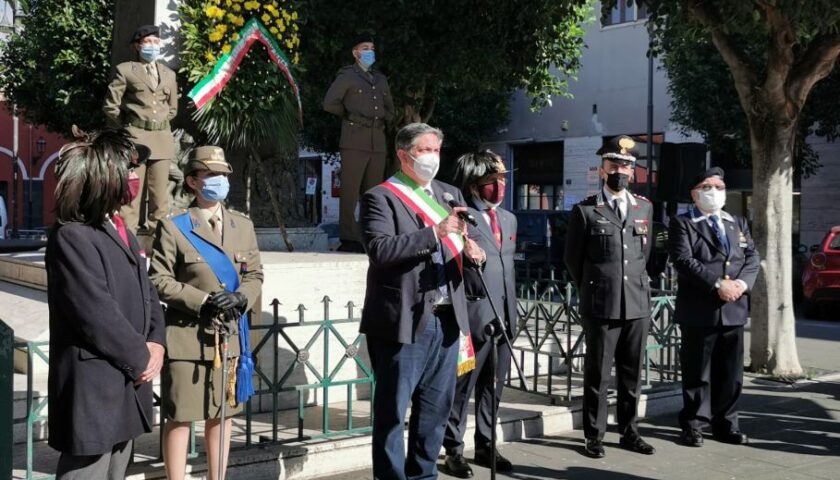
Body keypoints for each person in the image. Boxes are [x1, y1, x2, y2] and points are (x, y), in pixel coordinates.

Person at [359, 123, 485, 479]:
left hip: (447, 321)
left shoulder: (448, 193)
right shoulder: (381, 197)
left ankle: (424, 475)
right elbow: (380, 250)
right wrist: (434, 233)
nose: (433, 157)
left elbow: (463, 241)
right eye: (425, 150)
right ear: (404, 154)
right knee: (392, 414)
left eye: (437, 150)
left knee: (434, 412)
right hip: (404, 320)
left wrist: (475, 252)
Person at [46, 128, 165, 479]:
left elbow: (148, 291)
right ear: (103, 177)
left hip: (127, 382)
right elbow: (96, 314)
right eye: (127, 169)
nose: (134, 177)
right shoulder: (72, 236)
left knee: (116, 471)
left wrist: (157, 341)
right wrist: (141, 357)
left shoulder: (118, 228)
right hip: (95, 388)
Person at [148, 146, 263, 480]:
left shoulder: (242, 225)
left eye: (223, 175)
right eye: (210, 175)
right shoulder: (174, 227)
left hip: (229, 338)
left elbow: (255, 274)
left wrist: (241, 297)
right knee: (181, 416)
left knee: (222, 415)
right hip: (188, 336)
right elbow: (158, 279)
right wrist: (202, 300)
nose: (219, 181)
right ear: (192, 182)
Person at [563, 135, 656, 458]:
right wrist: (595, 287)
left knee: (632, 376)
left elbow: (646, 255)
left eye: (626, 166)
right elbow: (573, 260)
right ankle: (594, 435)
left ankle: (630, 432)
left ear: (633, 172)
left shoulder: (644, 207)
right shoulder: (586, 210)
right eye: (614, 164)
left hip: (637, 304)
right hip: (601, 304)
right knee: (598, 375)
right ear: (602, 169)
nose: (621, 170)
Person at [668, 167, 759, 447]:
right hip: (700, 309)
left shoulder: (737, 222)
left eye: (720, 186)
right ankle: (694, 425)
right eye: (708, 186)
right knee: (698, 372)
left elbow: (751, 257)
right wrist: (719, 284)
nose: (715, 192)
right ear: (695, 193)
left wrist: (741, 286)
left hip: (734, 308)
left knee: (731, 373)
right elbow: (684, 261)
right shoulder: (683, 223)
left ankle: (727, 424)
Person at [442, 150, 517, 477]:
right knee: (462, 388)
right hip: (472, 317)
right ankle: (453, 449)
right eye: (492, 181)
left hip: (504, 316)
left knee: (493, 388)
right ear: (474, 185)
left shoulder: (510, 219)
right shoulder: (460, 217)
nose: (499, 186)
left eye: (502, 179)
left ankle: (486, 444)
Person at [104, 24, 178, 235]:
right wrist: (127, 128)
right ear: (138, 46)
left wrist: (158, 124)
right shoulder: (126, 70)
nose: (152, 46)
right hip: (136, 140)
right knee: (131, 196)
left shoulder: (168, 74)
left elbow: (172, 109)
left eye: (156, 42)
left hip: (162, 140)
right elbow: (111, 105)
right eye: (148, 42)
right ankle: (128, 245)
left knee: (160, 200)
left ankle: (160, 248)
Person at [323, 34, 395, 252]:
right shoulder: (347, 76)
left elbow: (390, 108)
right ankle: (348, 236)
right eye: (365, 48)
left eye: (372, 48)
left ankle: (371, 233)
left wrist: (385, 118)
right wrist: (350, 116)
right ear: (355, 53)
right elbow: (329, 103)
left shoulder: (380, 79)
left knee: (373, 192)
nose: (369, 52)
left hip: (377, 140)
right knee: (350, 190)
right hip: (354, 139)